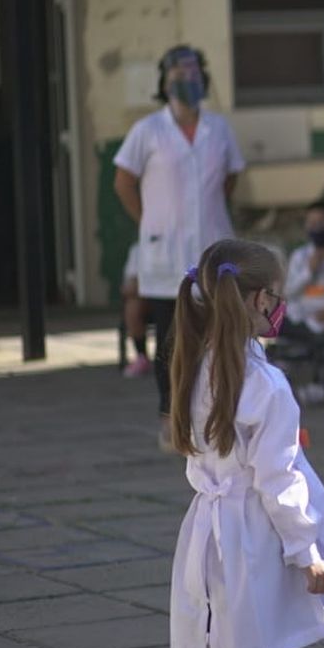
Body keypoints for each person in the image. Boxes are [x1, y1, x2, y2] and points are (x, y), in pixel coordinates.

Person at [167, 239, 324, 648]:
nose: (280, 305)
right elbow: (278, 474)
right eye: (276, 295)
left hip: (208, 527)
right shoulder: (265, 385)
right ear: (260, 299)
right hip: (252, 534)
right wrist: (305, 551)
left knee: (216, 639)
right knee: (245, 643)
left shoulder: (197, 364)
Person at [114, 45, 246, 451]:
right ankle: (170, 419)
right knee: (171, 339)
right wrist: (151, 221)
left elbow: (229, 179)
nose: (186, 80)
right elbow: (123, 182)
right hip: (164, 253)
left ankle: (217, 416)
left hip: (210, 246)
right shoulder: (148, 130)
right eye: (177, 74)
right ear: (164, 82)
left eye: (192, 72)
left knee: (217, 333)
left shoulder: (219, 128)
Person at [279, 200, 324, 406]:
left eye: (322, 223)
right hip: (300, 319)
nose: (317, 229)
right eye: (312, 224)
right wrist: (309, 271)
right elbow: (288, 293)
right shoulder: (300, 257)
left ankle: (321, 388)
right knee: (267, 324)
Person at [121, 242, 150, 379]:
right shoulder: (137, 250)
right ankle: (141, 356)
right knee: (132, 305)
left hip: (176, 297)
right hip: (149, 299)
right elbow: (129, 285)